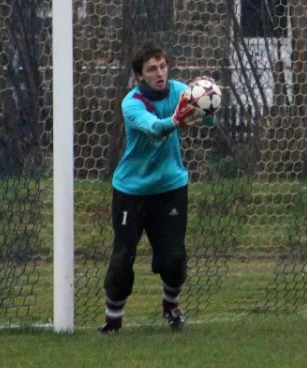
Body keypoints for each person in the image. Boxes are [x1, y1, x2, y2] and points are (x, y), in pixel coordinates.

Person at [99, 42, 216, 335]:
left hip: (170, 188)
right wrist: (176, 119)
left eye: (163, 66)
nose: (160, 73)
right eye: (152, 69)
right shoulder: (132, 103)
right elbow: (154, 128)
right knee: (122, 257)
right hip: (131, 191)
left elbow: (208, 117)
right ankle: (113, 321)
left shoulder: (179, 90)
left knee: (174, 257)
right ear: (140, 75)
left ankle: (171, 306)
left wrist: (209, 100)